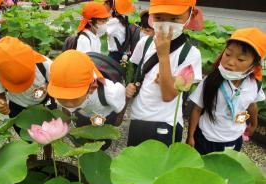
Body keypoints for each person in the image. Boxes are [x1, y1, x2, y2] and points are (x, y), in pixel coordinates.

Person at [125, 0, 202, 147]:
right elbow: (138, 74)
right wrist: (130, 87)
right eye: (159, 18)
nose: (166, 24)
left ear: (190, 16)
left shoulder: (191, 54)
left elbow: (168, 95)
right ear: (151, 17)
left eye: (174, 19)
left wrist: (163, 55)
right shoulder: (144, 43)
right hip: (138, 117)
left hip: (165, 123)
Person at [187, 28, 266, 154]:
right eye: (228, 54)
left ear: (254, 65)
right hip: (206, 137)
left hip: (234, 138)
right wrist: (190, 136)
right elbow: (197, 109)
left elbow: (252, 104)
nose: (230, 62)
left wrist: (254, 123)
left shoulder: (254, 85)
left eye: (240, 59)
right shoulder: (211, 81)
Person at [47, 50, 126, 149]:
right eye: (62, 97)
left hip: (103, 116)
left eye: (73, 97)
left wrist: (117, 120)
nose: (67, 102)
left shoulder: (109, 92)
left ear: (92, 88)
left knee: (102, 144)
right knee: (81, 141)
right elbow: (65, 107)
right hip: (81, 115)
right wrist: (65, 122)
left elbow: (122, 95)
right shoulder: (59, 88)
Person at [0, 36, 56, 134]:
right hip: (18, 107)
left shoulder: (44, 63)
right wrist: (0, 102)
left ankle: (47, 148)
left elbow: (56, 84)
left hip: (46, 102)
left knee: (49, 134)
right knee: (26, 135)